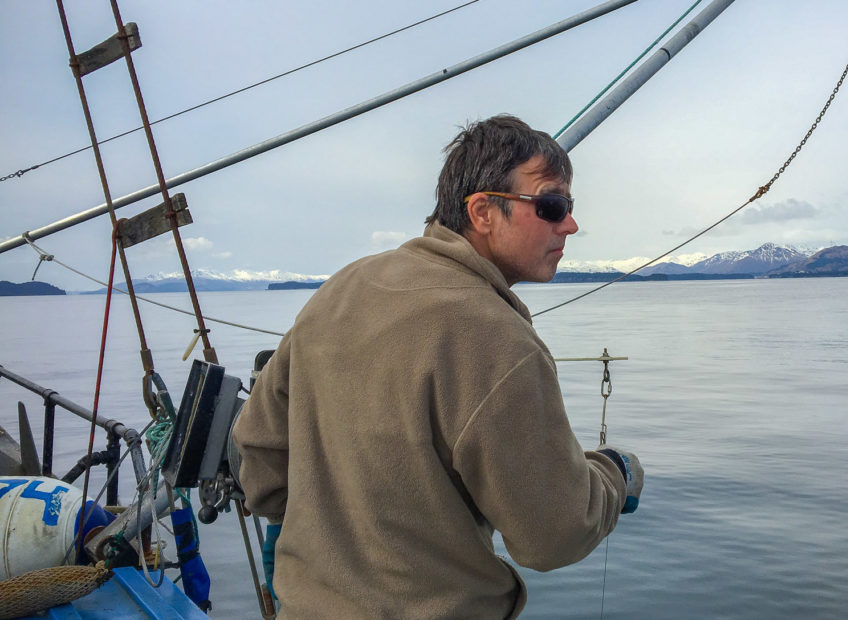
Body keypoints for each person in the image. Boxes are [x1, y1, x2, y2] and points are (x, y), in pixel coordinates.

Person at [233, 115, 643, 618]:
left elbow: (261, 458)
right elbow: (555, 535)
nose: (570, 224)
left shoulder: (342, 288)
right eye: (551, 205)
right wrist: (615, 474)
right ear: (483, 211)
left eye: (569, 207)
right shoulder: (497, 339)